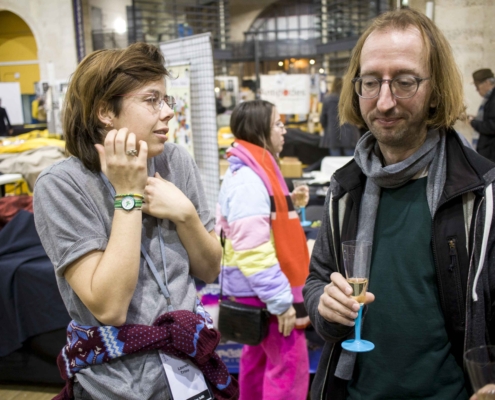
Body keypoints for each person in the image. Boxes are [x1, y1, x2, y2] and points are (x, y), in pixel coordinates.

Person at [303, 8, 495, 400]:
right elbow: (316, 281)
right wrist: (325, 305)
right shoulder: (346, 187)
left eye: (405, 82)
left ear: (436, 88)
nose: (385, 102)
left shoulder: (480, 193)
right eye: (371, 82)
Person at [33, 43, 238, 400]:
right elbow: (109, 306)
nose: (168, 113)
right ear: (104, 112)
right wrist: (127, 195)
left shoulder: (176, 161)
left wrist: (186, 215)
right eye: (152, 100)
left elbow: (209, 269)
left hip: (191, 370)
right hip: (116, 387)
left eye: (166, 100)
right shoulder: (61, 185)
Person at [215, 99, 310, 400]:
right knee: (288, 369)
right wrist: (281, 302)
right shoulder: (249, 179)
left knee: (256, 364)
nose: (284, 131)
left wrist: (290, 201)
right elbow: (253, 248)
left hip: (257, 292)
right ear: (260, 131)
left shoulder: (253, 170)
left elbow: (259, 225)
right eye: (277, 124)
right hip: (267, 295)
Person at [319, 77, 360, 156]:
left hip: (332, 134)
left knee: (335, 163)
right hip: (349, 135)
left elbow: (323, 119)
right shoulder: (349, 98)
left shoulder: (327, 99)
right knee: (350, 163)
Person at [468, 68, 495, 162]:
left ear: (487, 82)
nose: (476, 90)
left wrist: (474, 123)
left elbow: (492, 126)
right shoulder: (490, 98)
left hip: (491, 155)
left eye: (477, 86)